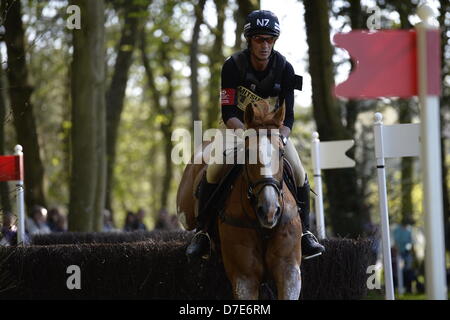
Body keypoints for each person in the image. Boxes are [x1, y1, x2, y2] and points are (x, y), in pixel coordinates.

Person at [186, 10, 325, 260]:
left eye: (270, 40)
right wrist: (248, 134)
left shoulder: (285, 68)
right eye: (259, 39)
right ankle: (202, 233)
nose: (264, 45)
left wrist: (280, 137)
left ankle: (305, 233)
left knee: (300, 173)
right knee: (214, 169)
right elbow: (228, 111)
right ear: (249, 40)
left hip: (273, 133)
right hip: (236, 128)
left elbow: (289, 116)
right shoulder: (232, 66)